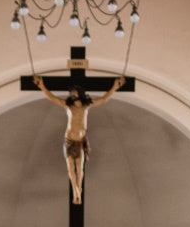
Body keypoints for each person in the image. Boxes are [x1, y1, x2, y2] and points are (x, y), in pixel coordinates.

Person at [34, 76, 125, 205]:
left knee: (80, 167)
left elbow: (104, 99)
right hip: (70, 140)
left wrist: (115, 87)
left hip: (81, 140)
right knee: (71, 168)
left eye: (75, 92)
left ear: (80, 93)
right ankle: (76, 192)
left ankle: (79, 191)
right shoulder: (68, 106)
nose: (73, 94)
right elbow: (52, 98)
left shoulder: (86, 106)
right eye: (71, 93)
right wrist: (42, 86)